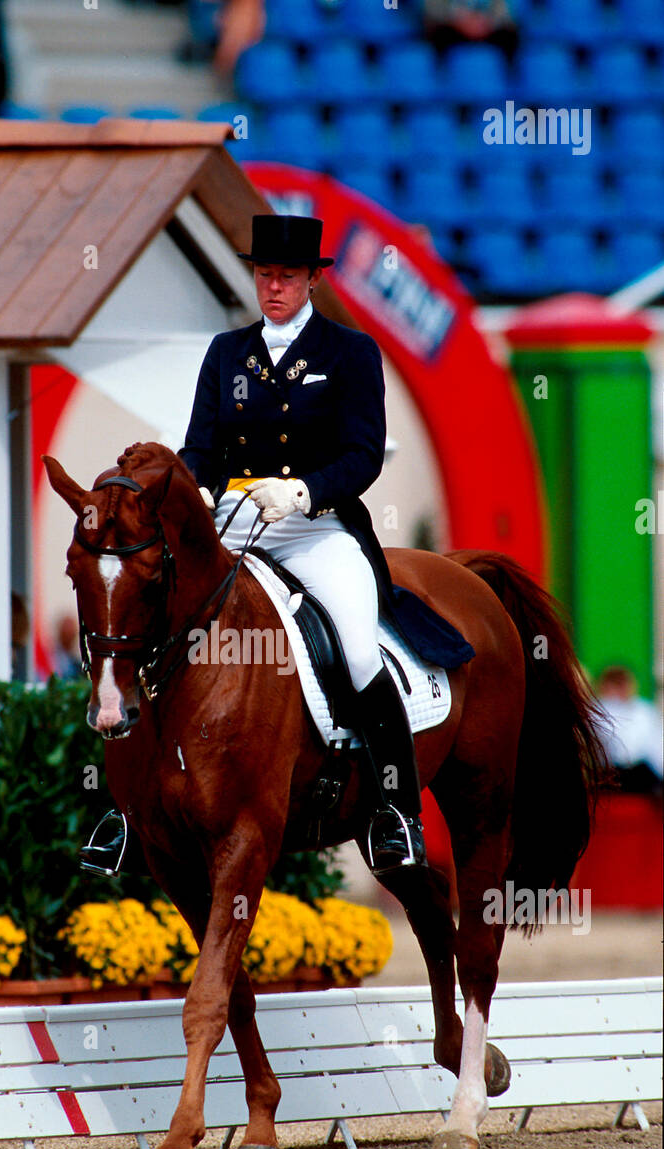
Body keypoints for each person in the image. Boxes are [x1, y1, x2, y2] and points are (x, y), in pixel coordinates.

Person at [177, 213, 428, 878]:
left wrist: (303, 491)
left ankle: (398, 811)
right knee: (158, 618)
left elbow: (363, 454)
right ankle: (125, 809)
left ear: (313, 279)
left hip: (314, 525)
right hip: (233, 520)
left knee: (357, 647)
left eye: (286, 276)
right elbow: (199, 446)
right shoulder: (227, 353)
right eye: (264, 275)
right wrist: (196, 488)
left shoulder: (349, 353)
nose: (273, 287)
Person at [596, 666, 663, 796]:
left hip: (643, 770)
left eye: (624, 684)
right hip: (612, 771)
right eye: (617, 684)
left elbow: (657, 746)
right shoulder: (600, 709)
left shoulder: (644, 710)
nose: (623, 689)